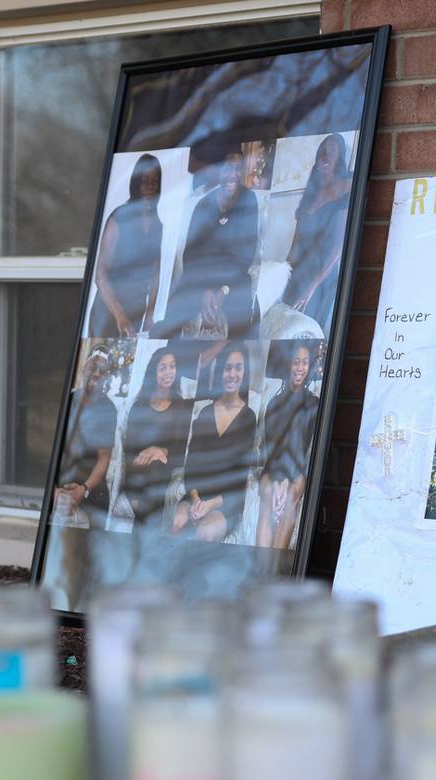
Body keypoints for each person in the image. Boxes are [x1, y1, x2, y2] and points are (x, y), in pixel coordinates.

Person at [158, 145, 261, 341]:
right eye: (227, 167)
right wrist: (204, 290)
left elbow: (245, 255)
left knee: (242, 321)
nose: (233, 173)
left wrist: (222, 290)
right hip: (199, 278)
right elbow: (190, 255)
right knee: (170, 319)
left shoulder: (249, 199)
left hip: (234, 279)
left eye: (238, 168)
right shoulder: (203, 204)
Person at [173, 344, 257, 543]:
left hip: (225, 502)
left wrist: (209, 505)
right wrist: (195, 500)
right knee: (177, 522)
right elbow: (190, 466)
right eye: (228, 368)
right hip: (197, 496)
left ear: (244, 373)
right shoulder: (205, 413)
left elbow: (240, 478)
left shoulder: (249, 418)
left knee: (206, 532)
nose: (232, 374)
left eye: (238, 367)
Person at [280, 134, 352, 332]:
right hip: (297, 272)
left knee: (306, 332)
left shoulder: (346, 188)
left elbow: (339, 248)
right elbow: (296, 240)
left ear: (340, 158)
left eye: (332, 151)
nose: (325, 156)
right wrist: (283, 272)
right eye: (322, 151)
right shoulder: (311, 191)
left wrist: (312, 287)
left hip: (320, 278)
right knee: (284, 329)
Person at [90, 153, 164, 339]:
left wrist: (149, 314)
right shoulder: (120, 217)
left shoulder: (159, 224)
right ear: (135, 183)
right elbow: (100, 274)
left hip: (136, 314)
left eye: (154, 180)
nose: (149, 185)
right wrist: (120, 317)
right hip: (110, 313)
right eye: (144, 179)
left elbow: (156, 273)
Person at [120, 346, 192, 528]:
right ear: (154, 372)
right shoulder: (139, 407)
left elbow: (181, 449)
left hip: (163, 469)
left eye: (172, 366)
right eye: (162, 367)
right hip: (137, 467)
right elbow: (129, 448)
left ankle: (144, 522)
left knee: (155, 469)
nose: (168, 372)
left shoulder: (181, 406)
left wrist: (158, 450)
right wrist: (144, 455)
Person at [257, 342, 319, 550]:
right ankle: (261, 567)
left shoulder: (314, 404)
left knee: (291, 498)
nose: (300, 367)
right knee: (267, 500)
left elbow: (302, 449)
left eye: (305, 363)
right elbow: (271, 449)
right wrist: (275, 483)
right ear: (288, 366)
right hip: (273, 467)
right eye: (296, 362)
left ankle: (274, 566)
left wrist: (287, 481)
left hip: (298, 469)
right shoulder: (274, 403)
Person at [55, 349, 118, 529]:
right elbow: (48, 451)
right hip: (60, 483)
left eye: (102, 370)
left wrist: (84, 489)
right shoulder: (68, 400)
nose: (97, 374)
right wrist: (53, 493)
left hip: (89, 487)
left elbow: (104, 457)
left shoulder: (108, 409)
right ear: (83, 369)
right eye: (93, 367)